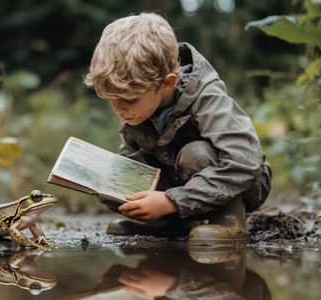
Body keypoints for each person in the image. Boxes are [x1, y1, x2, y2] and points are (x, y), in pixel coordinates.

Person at [84, 12, 271, 245]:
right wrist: (114, 187)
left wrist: (171, 201)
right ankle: (169, 223)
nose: (120, 109)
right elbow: (132, 155)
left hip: (240, 181)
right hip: (178, 180)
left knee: (196, 153)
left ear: (167, 83)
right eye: (112, 100)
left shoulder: (207, 98)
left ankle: (228, 222)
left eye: (129, 100)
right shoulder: (139, 107)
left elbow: (244, 163)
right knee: (121, 171)